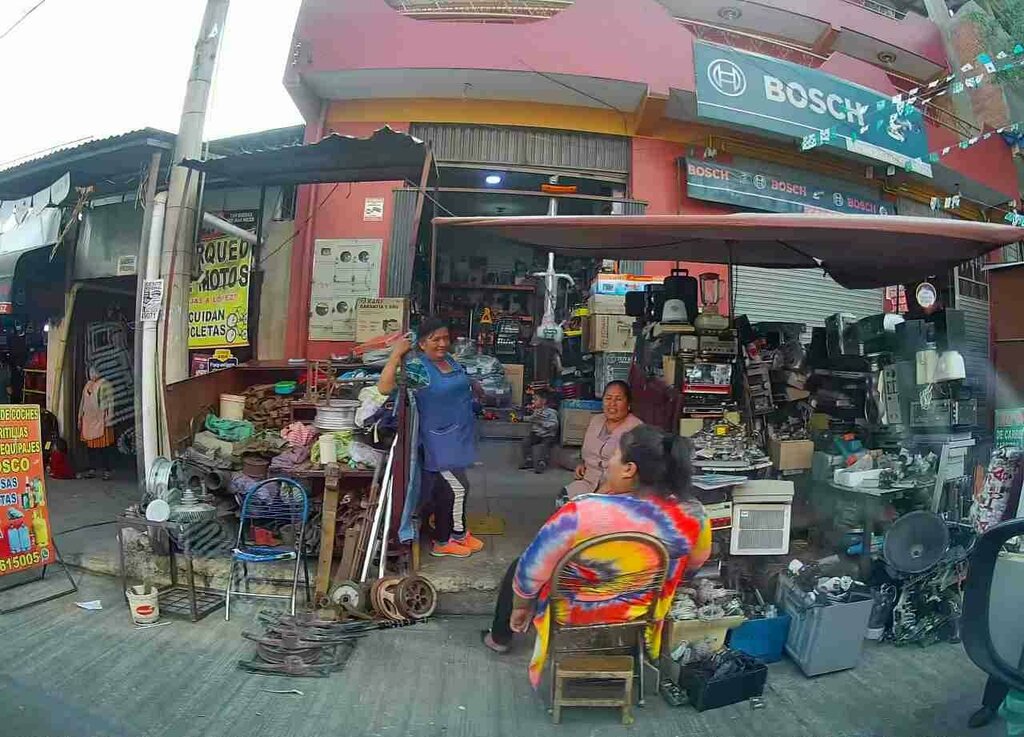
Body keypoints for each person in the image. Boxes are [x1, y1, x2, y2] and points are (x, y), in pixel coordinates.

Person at [482, 425, 711, 687]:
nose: (607, 464)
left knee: (521, 565)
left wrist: (521, 607)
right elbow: (694, 563)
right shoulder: (693, 515)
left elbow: (530, 572)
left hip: (573, 614)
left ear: (629, 469)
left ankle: (499, 638)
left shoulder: (582, 511)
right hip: (639, 615)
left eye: (614, 455)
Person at [377, 317, 484, 558]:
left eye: (445, 338)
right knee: (456, 488)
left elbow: (458, 384)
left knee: (455, 488)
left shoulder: (449, 361)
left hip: (457, 437)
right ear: (422, 344)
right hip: (435, 440)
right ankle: (444, 541)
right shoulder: (418, 368)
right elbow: (384, 388)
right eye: (435, 339)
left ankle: (459, 533)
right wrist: (396, 355)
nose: (442, 343)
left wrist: (473, 386)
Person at [559, 380, 643, 506]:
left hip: (618, 489)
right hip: (588, 482)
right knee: (564, 504)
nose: (612, 404)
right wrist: (582, 464)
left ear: (628, 404)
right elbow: (587, 451)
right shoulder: (596, 420)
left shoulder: (637, 428)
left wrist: (608, 488)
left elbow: (640, 468)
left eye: (618, 399)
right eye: (608, 398)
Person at [78, 365, 115, 480]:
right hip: (88, 420)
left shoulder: (106, 384)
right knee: (90, 448)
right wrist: (79, 417)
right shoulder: (87, 385)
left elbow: (111, 403)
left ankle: (107, 471)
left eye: (94, 372)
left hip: (101, 420)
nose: (92, 374)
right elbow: (82, 402)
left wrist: (109, 419)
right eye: (90, 372)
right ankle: (92, 469)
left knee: (104, 448)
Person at [519, 389, 559, 474]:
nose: (533, 401)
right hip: (537, 434)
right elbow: (531, 418)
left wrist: (542, 423)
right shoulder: (537, 411)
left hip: (548, 435)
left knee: (544, 446)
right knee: (526, 441)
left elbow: (554, 425)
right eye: (533, 399)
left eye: (535, 399)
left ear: (544, 401)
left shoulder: (551, 413)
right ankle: (529, 460)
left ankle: (542, 463)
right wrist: (522, 418)